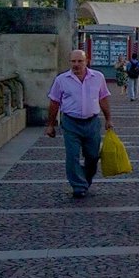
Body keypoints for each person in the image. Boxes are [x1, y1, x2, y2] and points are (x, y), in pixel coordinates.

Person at [44, 49, 115, 201]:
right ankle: (78, 186)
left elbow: (103, 98)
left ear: (87, 61)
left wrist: (109, 118)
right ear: (69, 62)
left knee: (93, 155)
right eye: (73, 61)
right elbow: (54, 102)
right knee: (72, 155)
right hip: (71, 122)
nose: (76, 64)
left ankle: (85, 179)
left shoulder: (98, 77)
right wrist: (51, 124)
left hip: (92, 122)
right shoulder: (61, 80)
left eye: (80, 61)